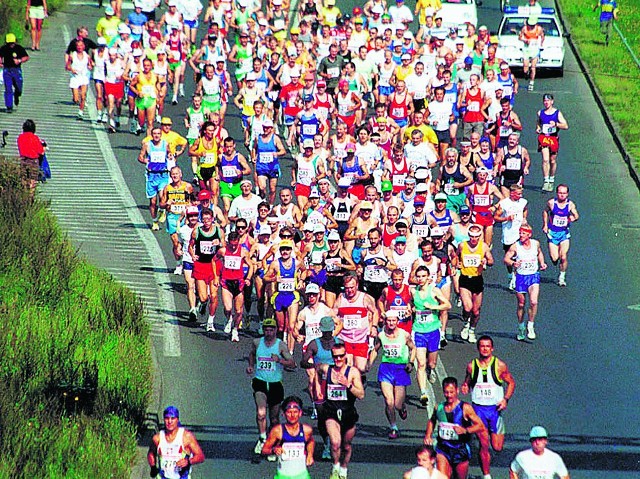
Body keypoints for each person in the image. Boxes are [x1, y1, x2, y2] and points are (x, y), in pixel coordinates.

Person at [461, 335, 516, 479]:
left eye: (487, 346)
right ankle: (486, 475)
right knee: (484, 445)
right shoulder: (472, 366)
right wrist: (466, 385)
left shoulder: (499, 366)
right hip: (478, 410)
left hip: (494, 411)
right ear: (478, 348)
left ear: (492, 348)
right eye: (482, 346)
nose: (485, 349)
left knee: (497, 447)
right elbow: (468, 379)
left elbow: (511, 382)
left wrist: (505, 399)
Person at [247, 318, 296, 461]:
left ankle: (274, 443)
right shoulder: (257, 343)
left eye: (271, 330)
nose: (268, 332)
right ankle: (262, 439)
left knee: (274, 419)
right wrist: (251, 365)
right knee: (261, 413)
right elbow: (251, 354)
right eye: (266, 330)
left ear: (275, 330)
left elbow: (292, 363)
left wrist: (279, 360)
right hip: (260, 382)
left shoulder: (281, 346)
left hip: (275, 384)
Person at [316, 342, 365, 479]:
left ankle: (344, 467)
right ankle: (336, 466)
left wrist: (347, 385)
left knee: (346, 446)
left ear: (345, 356)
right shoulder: (327, 369)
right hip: (331, 412)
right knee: (335, 442)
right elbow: (317, 369)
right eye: (335, 356)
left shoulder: (353, 372)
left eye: (340, 356)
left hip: (348, 413)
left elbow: (361, 395)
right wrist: (318, 389)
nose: (337, 359)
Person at [423, 377, 486, 479]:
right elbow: (432, 420)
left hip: (460, 450)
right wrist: (428, 435)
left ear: (457, 391)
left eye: (451, 392)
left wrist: (465, 430)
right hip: (443, 449)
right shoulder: (439, 408)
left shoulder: (465, 408)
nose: (449, 395)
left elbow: (480, 426)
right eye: (446, 392)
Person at [367, 312, 417, 440]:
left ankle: (402, 408)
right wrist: (369, 364)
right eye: (389, 321)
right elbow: (375, 350)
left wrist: (411, 362)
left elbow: (413, 348)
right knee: (389, 401)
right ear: (385, 321)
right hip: (386, 369)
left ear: (397, 321)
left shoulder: (404, 335)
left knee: (398, 404)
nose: (391, 323)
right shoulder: (381, 335)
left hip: (401, 369)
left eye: (393, 321)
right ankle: (393, 427)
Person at [411, 265, 451, 406]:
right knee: (421, 363)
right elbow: (409, 306)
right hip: (419, 331)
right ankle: (423, 393)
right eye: (418, 276)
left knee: (431, 363)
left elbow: (447, 305)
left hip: (433, 331)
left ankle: (431, 369)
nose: (421, 279)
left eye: (423, 276)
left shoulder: (434, 291)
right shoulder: (413, 292)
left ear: (428, 277)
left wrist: (434, 307)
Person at [504, 224, 547, 341]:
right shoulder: (515, 246)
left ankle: (530, 325)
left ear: (529, 234)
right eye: (520, 233)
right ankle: (521, 326)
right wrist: (513, 263)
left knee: (533, 301)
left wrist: (542, 263)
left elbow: (539, 253)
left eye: (523, 233)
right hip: (521, 277)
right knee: (521, 304)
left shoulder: (535, 244)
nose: (521, 235)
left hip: (533, 276)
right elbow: (506, 259)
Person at [334, 274, 378, 374]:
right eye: (347, 288)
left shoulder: (364, 298)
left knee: (361, 368)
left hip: (361, 339)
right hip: (345, 338)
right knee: (348, 365)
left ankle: (368, 359)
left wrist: (374, 327)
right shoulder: (341, 297)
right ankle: (351, 385)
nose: (349, 290)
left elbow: (375, 312)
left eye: (352, 287)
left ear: (357, 285)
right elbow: (333, 312)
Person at [262, 396, 315, 479]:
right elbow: (264, 450)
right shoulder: (277, 431)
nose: (292, 415)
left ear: (300, 413)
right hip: (283, 475)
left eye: (295, 412)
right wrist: (273, 450)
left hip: (302, 475)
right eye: (289, 412)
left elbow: (310, 441)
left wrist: (310, 455)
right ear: (284, 413)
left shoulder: (306, 430)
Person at [457, 224, 494, 344]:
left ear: (479, 237)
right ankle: (466, 324)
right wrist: (456, 264)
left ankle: (472, 330)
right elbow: (455, 256)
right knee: (468, 307)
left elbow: (491, 261)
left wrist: (485, 261)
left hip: (477, 280)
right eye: (472, 236)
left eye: (476, 237)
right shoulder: (463, 245)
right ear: (469, 236)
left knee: (476, 311)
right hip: (465, 279)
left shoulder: (483, 247)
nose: (474, 239)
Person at [189, 207, 223, 330]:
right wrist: (193, 255)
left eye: (209, 219)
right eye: (204, 220)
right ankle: (202, 303)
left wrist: (218, 243)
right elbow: (190, 246)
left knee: (214, 296)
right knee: (204, 297)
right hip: (201, 266)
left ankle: (210, 321)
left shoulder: (218, 231)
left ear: (212, 219)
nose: (206, 222)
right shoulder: (196, 231)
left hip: (214, 266)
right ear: (201, 220)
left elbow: (224, 246)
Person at [148, 406, 205, 478]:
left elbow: (200, 456)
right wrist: (153, 467)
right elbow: (151, 453)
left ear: (177, 420)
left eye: (173, 418)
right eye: (167, 418)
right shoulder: (158, 438)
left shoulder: (186, 437)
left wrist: (188, 462)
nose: (169, 421)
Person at [542, 184, 579, 287]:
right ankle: (556, 259)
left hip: (564, 234)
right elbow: (545, 211)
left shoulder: (570, 204)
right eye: (560, 193)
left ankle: (562, 277)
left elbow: (576, 215)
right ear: (557, 193)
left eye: (564, 193)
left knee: (563, 256)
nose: (562, 195)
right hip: (552, 233)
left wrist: (573, 218)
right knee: (554, 258)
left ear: (567, 194)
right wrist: (545, 225)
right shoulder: (551, 203)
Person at [138, 127, 171, 230]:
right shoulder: (147, 145)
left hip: (163, 175)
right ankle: (154, 221)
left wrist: (170, 156)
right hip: (151, 176)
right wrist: (144, 160)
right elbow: (140, 157)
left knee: (162, 197)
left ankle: (162, 210)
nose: (157, 135)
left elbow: (169, 153)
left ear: (161, 135)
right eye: (155, 134)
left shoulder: (165, 144)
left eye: (158, 134)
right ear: (152, 135)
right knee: (153, 202)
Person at [536, 94, 569, 192]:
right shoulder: (540, 113)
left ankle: (551, 178)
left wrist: (556, 124)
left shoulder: (557, 113)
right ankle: (546, 181)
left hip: (553, 138)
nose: (546, 103)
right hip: (544, 137)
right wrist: (538, 128)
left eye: (548, 101)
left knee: (552, 161)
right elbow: (538, 122)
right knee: (545, 159)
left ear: (552, 102)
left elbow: (566, 126)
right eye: (545, 101)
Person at [0, 33, 30, 113]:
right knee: (8, 88)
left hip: (16, 70)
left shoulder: (19, 48)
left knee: (19, 87)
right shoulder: (3, 48)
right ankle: (9, 106)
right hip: (7, 70)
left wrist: (19, 60)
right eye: (9, 43)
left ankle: (17, 95)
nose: (11, 45)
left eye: (12, 43)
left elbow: (26, 57)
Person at [16, 119, 45, 191]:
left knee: (24, 181)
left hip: (23, 160)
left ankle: (24, 198)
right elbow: (41, 152)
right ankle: (30, 199)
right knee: (32, 181)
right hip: (33, 161)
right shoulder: (35, 138)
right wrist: (43, 146)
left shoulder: (20, 137)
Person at [519, 17, 544, 91]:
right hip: (526, 49)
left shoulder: (539, 29)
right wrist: (525, 40)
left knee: (533, 67)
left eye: (533, 25)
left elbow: (542, 36)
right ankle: (526, 74)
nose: (531, 26)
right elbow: (520, 37)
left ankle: (531, 82)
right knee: (525, 66)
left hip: (535, 50)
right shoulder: (524, 29)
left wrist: (541, 43)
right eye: (530, 25)